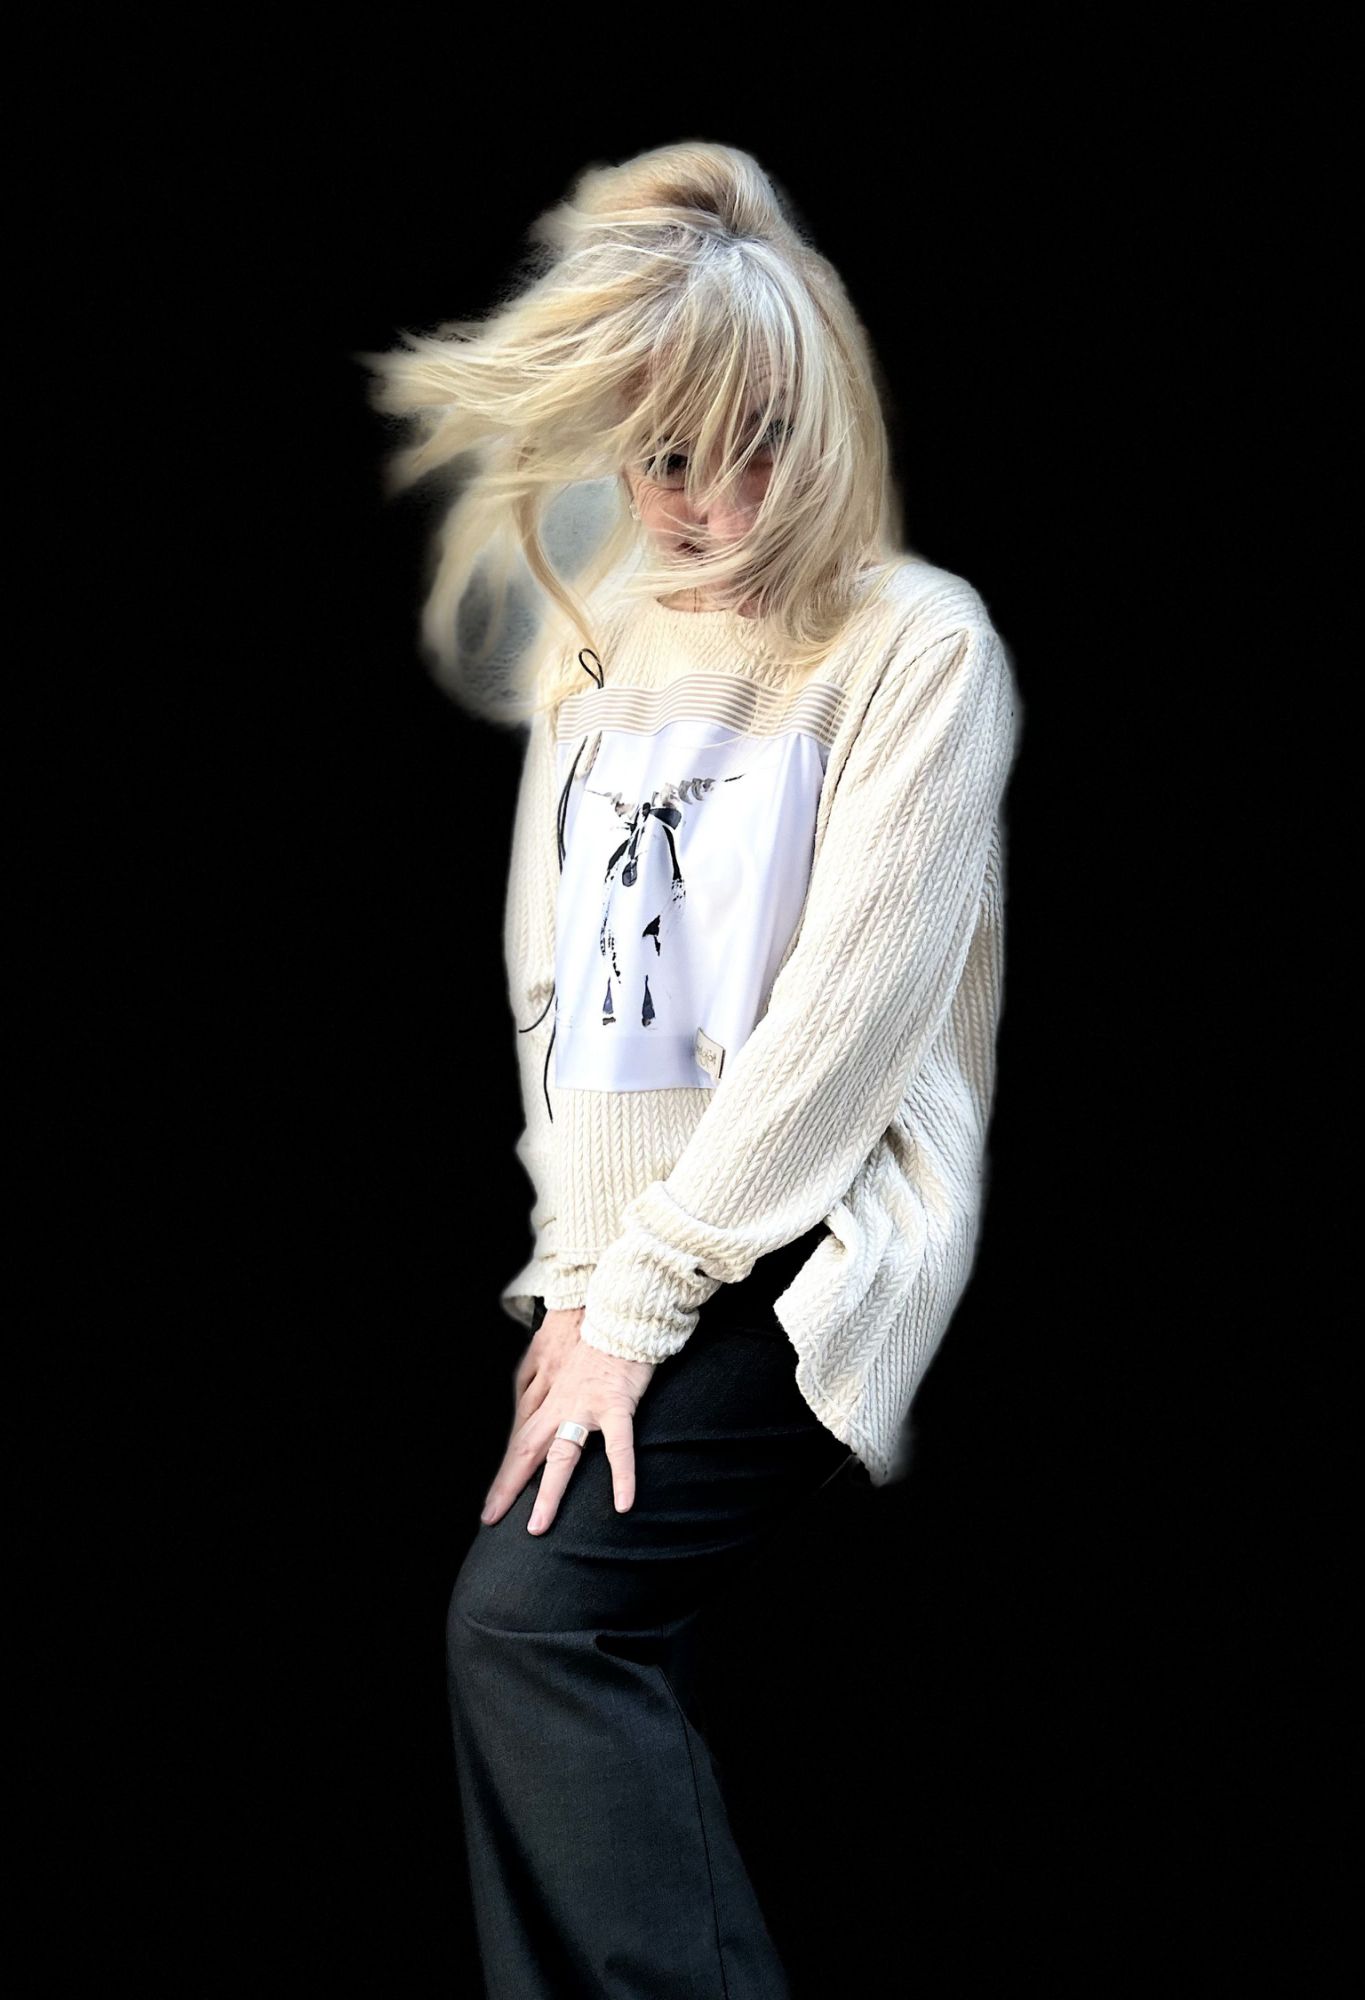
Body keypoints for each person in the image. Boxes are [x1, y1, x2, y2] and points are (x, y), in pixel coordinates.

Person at [359, 139, 1022, 1998]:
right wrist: (578, 1277)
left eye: (756, 450)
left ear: (820, 434)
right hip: (639, 1252)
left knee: (536, 1628)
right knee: (525, 1637)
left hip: (812, 1232)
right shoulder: (601, 651)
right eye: (666, 457)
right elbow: (558, 992)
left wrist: (640, 1298)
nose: (710, 503)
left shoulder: (916, 645)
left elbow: (846, 1026)